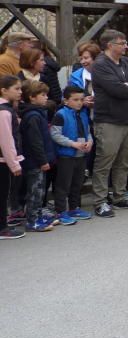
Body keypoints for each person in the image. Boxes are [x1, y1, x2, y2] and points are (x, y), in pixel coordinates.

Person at [91, 30, 128, 217]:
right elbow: (117, 90)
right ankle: (100, 201)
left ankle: (119, 196)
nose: (126, 46)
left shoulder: (125, 62)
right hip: (108, 121)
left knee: (124, 161)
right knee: (104, 161)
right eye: (122, 43)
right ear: (110, 45)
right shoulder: (100, 65)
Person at [19, 80, 61, 231]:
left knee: (40, 190)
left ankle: (38, 215)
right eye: (43, 95)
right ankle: (32, 220)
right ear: (32, 97)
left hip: (38, 161)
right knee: (35, 191)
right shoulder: (32, 116)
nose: (46, 97)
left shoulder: (37, 114)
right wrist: (43, 160)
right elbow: (35, 142)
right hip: (34, 162)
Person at [51, 85, 93, 223]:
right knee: (63, 184)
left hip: (81, 155)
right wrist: (72, 143)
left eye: (81, 99)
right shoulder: (61, 114)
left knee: (77, 183)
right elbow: (55, 134)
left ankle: (74, 208)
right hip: (66, 155)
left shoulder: (83, 113)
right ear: (66, 100)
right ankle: (60, 211)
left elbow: (87, 132)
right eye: (75, 100)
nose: (79, 102)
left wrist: (90, 142)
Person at [0, 75, 25, 239]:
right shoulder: (4, 112)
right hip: (3, 161)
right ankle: (2, 228)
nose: (20, 92)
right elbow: (6, 141)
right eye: (16, 89)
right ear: (3, 90)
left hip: (4, 160)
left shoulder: (7, 109)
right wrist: (14, 164)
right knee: (2, 195)